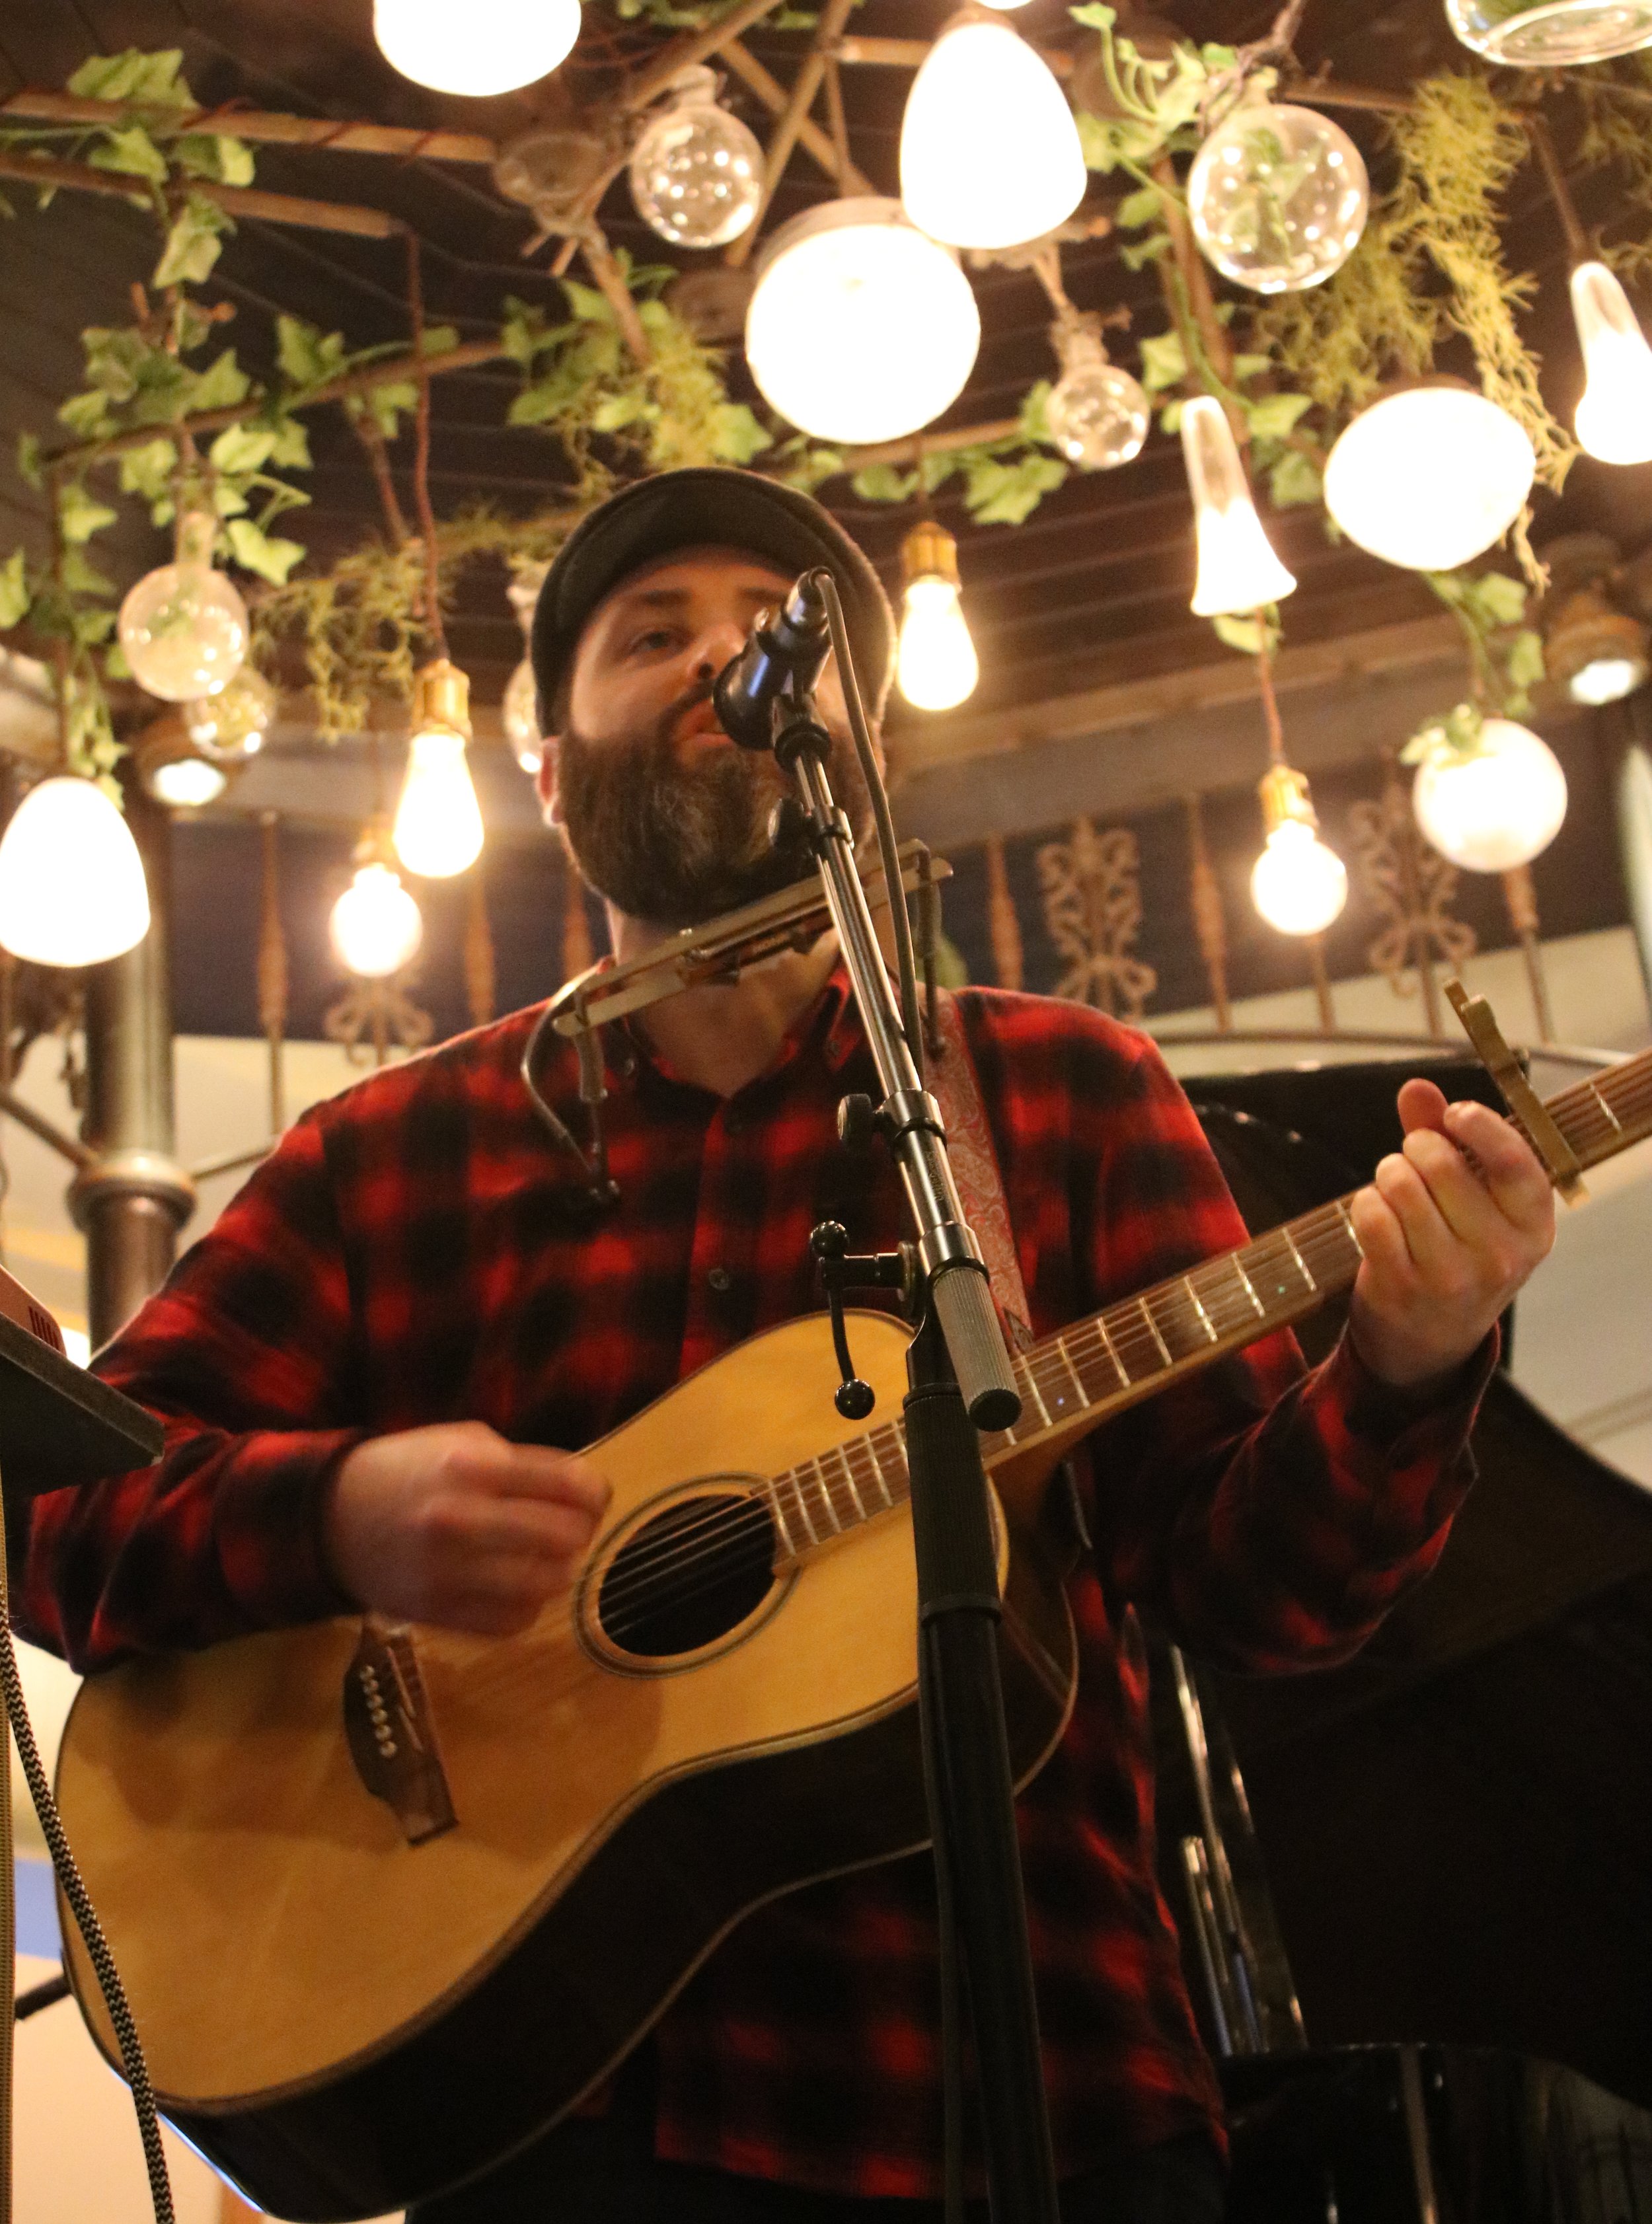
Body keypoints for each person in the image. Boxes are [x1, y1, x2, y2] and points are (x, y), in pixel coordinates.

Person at [15, 469, 1556, 2224]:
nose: (721, 663)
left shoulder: (1053, 1086)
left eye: (775, 636)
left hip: (1042, 2087)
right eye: (652, 637)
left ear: (862, 756)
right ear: (545, 770)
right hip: (573, 2119)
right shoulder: (388, 1156)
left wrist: (1407, 1360)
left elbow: (1267, 1597)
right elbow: (53, 1508)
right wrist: (334, 1519)